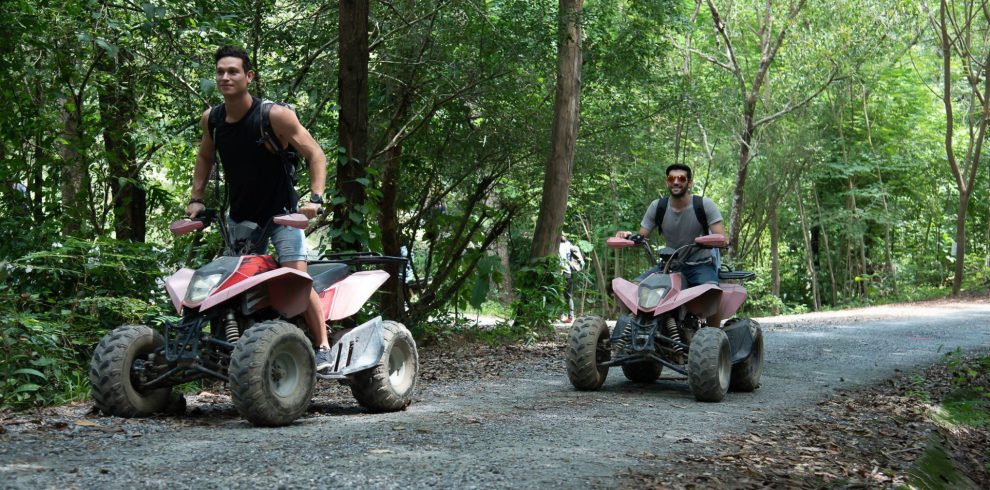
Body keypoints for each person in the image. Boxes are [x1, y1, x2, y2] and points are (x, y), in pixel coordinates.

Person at [185, 46, 334, 371]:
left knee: (297, 278)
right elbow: (205, 157)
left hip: (282, 215)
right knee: (232, 282)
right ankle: (238, 348)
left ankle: (322, 345)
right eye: (221, 71)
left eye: (233, 71)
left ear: (249, 76)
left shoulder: (274, 116)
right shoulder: (213, 120)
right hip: (240, 217)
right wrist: (196, 199)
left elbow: (315, 154)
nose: (226, 77)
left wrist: (316, 198)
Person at [615, 163, 727, 326]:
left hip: (699, 264)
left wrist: (714, 240)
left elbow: (721, 237)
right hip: (669, 265)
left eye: (681, 178)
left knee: (712, 292)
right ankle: (633, 331)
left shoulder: (704, 205)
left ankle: (715, 336)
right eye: (671, 178)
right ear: (667, 182)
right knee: (633, 288)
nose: (676, 182)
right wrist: (628, 236)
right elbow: (641, 236)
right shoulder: (657, 206)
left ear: (689, 183)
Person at [559, 233, 585, 323]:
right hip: (568, 273)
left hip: (560, 272)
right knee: (568, 296)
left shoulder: (558, 246)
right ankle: (570, 317)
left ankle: (561, 316)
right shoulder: (569, 244)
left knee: (559, 294)